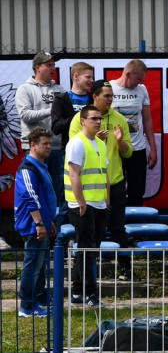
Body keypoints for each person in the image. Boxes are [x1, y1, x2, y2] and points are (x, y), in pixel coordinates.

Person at [68, 80, 133, 280]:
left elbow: (129, 153)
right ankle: (83, 281)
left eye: (112, 95)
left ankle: (126, 270)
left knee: (118, 228)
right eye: (106, 95)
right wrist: (95, 139)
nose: (110, 99)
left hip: (114, 184)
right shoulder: (79, 120)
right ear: (94, 96)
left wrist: (120, 141)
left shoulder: (119, 118)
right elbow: (74, 155)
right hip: (88, 193)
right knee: (88, 238)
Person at [64, 104, 110, 308]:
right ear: (83, 121)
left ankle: (76, 291)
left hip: (98, 203)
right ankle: (90, 294)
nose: (98, 121)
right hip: (82, 204)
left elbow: (104, 173)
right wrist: (81, 202)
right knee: (87, 249)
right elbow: (74, 174)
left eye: (99, 118)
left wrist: (107, 199)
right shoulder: (77, 143)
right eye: (93, 118)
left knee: (91, 249)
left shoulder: (100, 143)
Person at [16, 51, 67, 229]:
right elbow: (25, 115)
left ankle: (59, 236)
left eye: (54, 65)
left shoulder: (60, 90)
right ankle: (38, 230)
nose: (53, 68)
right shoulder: (25, 89)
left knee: (59, 193)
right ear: (37, 67)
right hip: (35, 151)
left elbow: (65, 117)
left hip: (58, 148)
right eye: (49, 65)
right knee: (38, 192)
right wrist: (50, 110)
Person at [15, 129, 57, 318]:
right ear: (33, 145)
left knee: (40, 266)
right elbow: (30, 197)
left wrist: (50, 221)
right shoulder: (27, 168)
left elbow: (46, 197)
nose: (49, 147)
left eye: (50, 143)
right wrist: (39, 223)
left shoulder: (42, 166)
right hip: (33, 225)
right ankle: (27, 306)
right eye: (44, 144)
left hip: (43, 223)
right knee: (32, 266)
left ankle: (40, 299)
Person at [50, 61, 94, 228]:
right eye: (87, 77)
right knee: (66, 198)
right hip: (67, 153)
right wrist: (78, 118)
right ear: (76, 76)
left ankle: (82, 239)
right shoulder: (61, 99)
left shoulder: (92, 98)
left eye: (92, 77)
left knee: (87, 197)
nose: (91, 80)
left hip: (90, 153)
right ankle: (60, 242)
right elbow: (55, 127)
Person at [111, 58, 157, 206]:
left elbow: (147, 120)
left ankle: (136, 225)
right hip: (115, 148)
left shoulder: (142, 90)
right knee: (116, 189)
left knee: (137, 191)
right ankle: (117, 224)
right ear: (128, 74)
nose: (140, 82)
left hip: (137, 147)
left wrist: (153, 149)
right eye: (138, 79)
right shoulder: (109, 88)